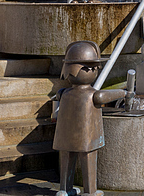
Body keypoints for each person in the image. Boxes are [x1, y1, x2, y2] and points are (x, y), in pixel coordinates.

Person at [53, 41, 127, 196]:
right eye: (93, 68)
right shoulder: (94, 94)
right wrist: (124, 92)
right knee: (88, 163)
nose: (94, 71)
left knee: (66, 161)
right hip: (87, 138)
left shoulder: (63, 92)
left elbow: (56, 101)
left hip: (64, 137)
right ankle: (90, 191)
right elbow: (106, 96)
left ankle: (64, 190)